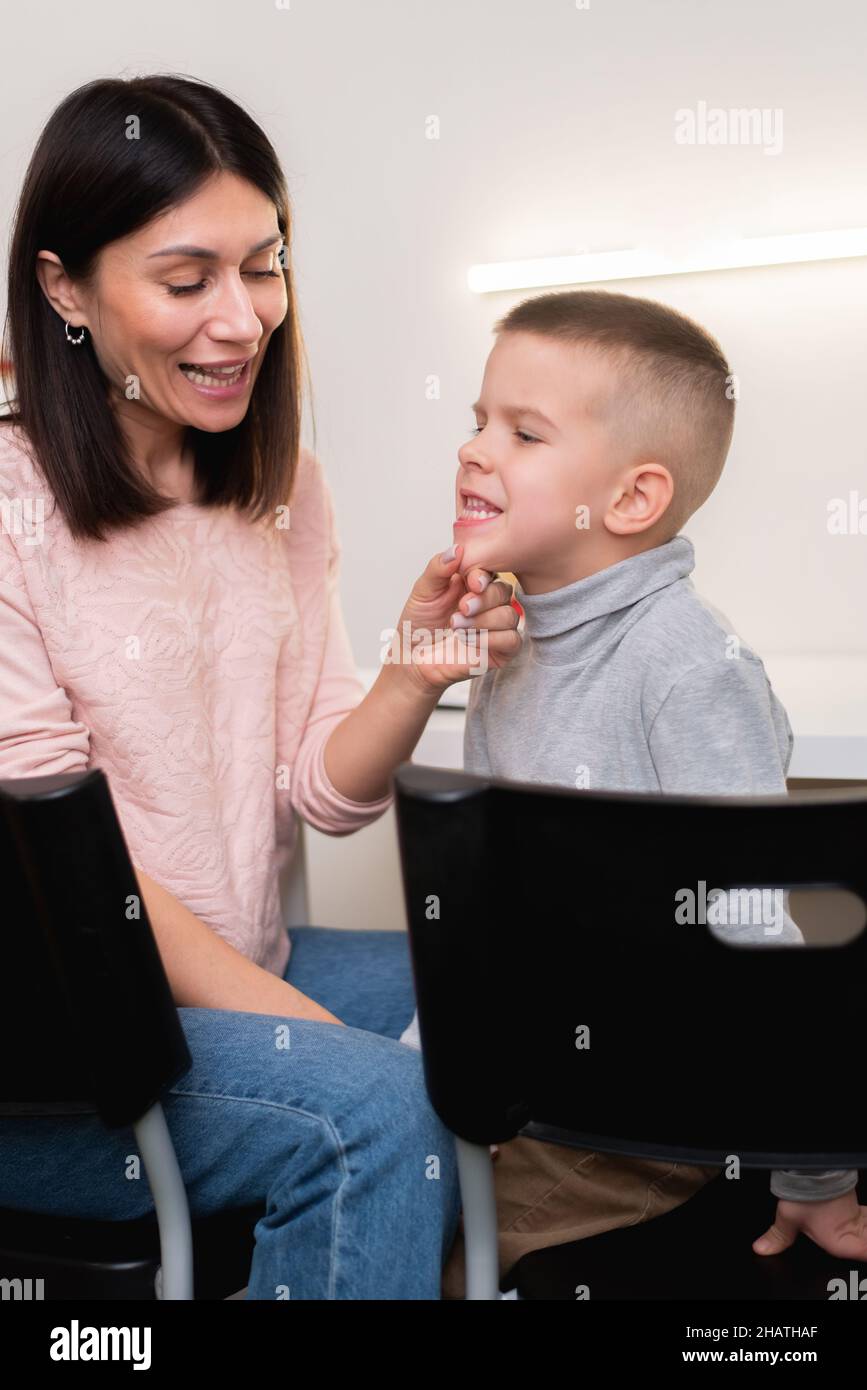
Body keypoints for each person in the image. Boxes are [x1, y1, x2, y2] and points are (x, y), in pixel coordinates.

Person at [0, 72, 523, 1299]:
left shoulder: (283, 477)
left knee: (514, 992)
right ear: (65, 287)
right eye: (186, 281)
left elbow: (319, 790)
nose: (243, 320)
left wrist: (412, 669)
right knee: (382, 1108)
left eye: (265, 265)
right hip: (64, 1048)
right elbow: (65, 874)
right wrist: (333, 1046)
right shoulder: (12, 503)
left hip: (233, 973)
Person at [395, 288, 866, 1298]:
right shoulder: (511, 636)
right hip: (522, 1083)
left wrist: (818, 1173)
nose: (476, 449)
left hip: (638, 1133)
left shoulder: (690, 667)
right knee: (350, 1180)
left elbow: (774, 931)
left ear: (632, 500)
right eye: (477, 420)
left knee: (399, 1247)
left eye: (523, 431)